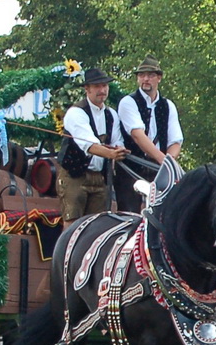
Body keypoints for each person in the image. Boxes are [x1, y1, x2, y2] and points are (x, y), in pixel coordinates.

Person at [58, 66, 127, 222]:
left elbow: (117, 140)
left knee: (98, 225)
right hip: (74, 175)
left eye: (105, 85)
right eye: (97, 86)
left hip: (100, 178)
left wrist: (119, 149)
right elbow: (89, 144)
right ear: (87, 89)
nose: (102, 90)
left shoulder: (111, 114)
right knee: (72, 223)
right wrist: (111, 154)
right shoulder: (76, 113)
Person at [116, 57, 183, 167]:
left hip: (160, 168)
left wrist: (169, 163)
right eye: (141, 75)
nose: (145, 79)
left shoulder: (168, 105)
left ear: (159, 78)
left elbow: (175, 141)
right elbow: (137, 135)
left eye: (150, 75)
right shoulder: (128, 102)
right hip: (133, 168)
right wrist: (164, 161)